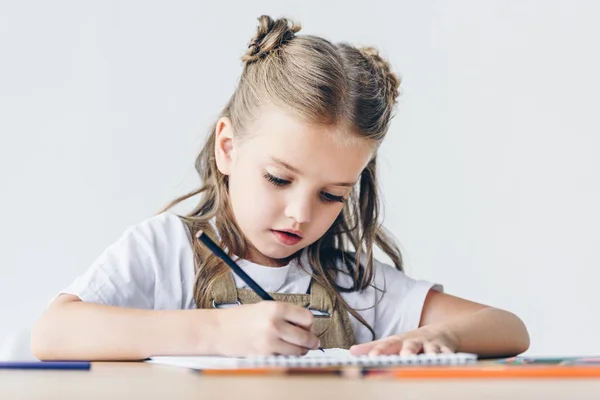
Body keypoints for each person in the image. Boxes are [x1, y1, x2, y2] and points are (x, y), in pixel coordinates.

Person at [32, 15, 529, 361]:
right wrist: (219, 332)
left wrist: (436, 335)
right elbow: (53, 332)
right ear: (228, 148)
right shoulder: (167, 252)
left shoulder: (349, 281)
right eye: (279, 178)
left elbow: (509, 327)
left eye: (332, 195)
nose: (299, 213)